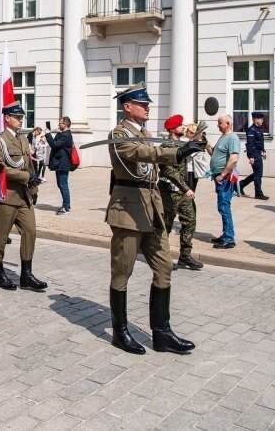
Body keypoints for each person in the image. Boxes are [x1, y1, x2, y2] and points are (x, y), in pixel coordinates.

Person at [106, 82, 203, 355]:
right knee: (122, 272)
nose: (147, 107)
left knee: (164, 267)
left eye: (147, 103)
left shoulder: (147, 132)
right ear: (127, 106)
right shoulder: (119, 133)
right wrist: (178, 151)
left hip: (152, 207)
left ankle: (162, 333)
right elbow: (140, 153)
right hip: (128, 209)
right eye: (142, 103)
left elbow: (153, 156)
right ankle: (120, 331)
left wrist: (185, 146)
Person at [0, 102, 48, 292]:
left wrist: (33, 189)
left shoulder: (23, 139)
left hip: (24, 196)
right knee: (0, 236)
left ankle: (26, 274)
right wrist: (25, 177)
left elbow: (28, 166)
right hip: (7, 196)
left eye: (22, 116)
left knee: (30, 231)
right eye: (17, 116)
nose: (21, 119)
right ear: (7, 118)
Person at [158, 115, 203, 271]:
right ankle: (163, 258)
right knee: (166, 226)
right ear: (172, 129)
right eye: (180, 125)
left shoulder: (181, 144)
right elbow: (170, 172)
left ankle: (185, 256)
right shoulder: (165, 147)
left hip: (182, 192)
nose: (183, 127)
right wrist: (187, 188)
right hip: (169, 192)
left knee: (190, 221)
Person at [210, 115, 240, 249]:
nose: (217, 125)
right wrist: (205, 145)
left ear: (227, 123)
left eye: (219, 123)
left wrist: (222, 175)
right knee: (222, 205)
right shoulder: (222, 137)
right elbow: (215, 154)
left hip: (225, 178)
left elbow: (233, 158)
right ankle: (225, 234)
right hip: (219, 176)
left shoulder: (232, 137)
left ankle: (229, 238)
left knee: (224, 206)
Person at [46, 116, 74, 215]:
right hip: (60, 164)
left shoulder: (66, 135)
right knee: (61, 185)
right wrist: (56, 132)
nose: (58, 125)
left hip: (63, 164)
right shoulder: (63, 134)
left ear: (65, 124)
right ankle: (65, 205)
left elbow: (54, 144)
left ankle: (66, 207)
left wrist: (48, 134)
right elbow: (55, 143)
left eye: (60, 123)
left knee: (63, 185)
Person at [239, 111, 269, 200]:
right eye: (261, 119)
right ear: (255, 120)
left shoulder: (259, 129)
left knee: (257, 173)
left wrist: (263, 151)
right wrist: (251, 156)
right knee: (258, 174)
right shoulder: (251, 130)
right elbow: (250, 144)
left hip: (258, 152)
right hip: (254, 153)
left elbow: (260, 142)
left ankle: (241, 184)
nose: (262, 121)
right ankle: (258, 193)